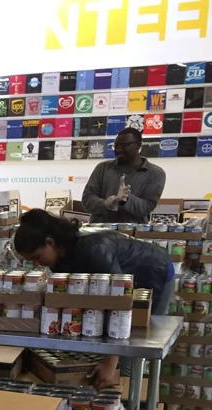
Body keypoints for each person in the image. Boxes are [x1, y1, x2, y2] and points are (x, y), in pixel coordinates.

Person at [14, 208, 174, 388]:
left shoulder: (96, 251)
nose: (36, 264)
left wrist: (110, 364)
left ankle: (128, 401)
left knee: (135, 344)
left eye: (36, 257)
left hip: (155, 274)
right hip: (123, 283)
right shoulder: (59, 260)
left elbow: (119, 304)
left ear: (50, 243)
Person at [81, 127, 166, 224]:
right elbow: (87, 200)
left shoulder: (155, 173)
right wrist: (106, 204)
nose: (118, 150)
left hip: (132, 234)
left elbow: (147, 207)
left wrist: (126, 199)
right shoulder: (102, 168)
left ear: (138, 145)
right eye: (116, 146)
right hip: (100, 234)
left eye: (124, 145)